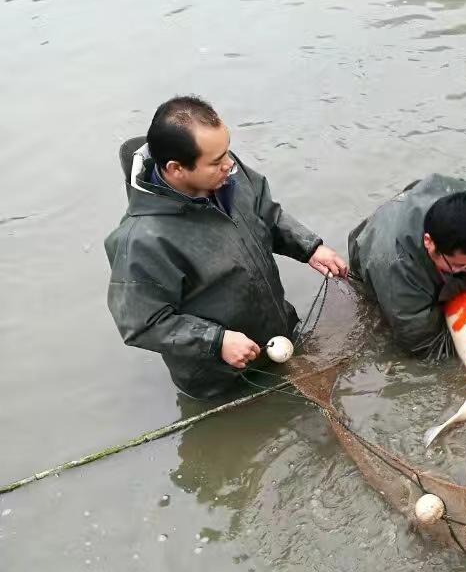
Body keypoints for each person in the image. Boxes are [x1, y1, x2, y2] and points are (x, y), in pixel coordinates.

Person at [105, 95, 347, 398]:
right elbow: (143, 324)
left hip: (278, 334)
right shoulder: (141, 241)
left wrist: (309, 247)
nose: (229, 164)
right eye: (217, 161)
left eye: (227, 152)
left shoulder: (228, 174)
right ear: (176, 168)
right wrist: (215, 341)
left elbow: (267, 215)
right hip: (221, 378)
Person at [348, 174, 466, 358]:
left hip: (425, 202)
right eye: (459, 264)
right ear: (429, 242)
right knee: (390, 326)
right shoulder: (396, 269)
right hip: (376, 249)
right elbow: (425, 344)